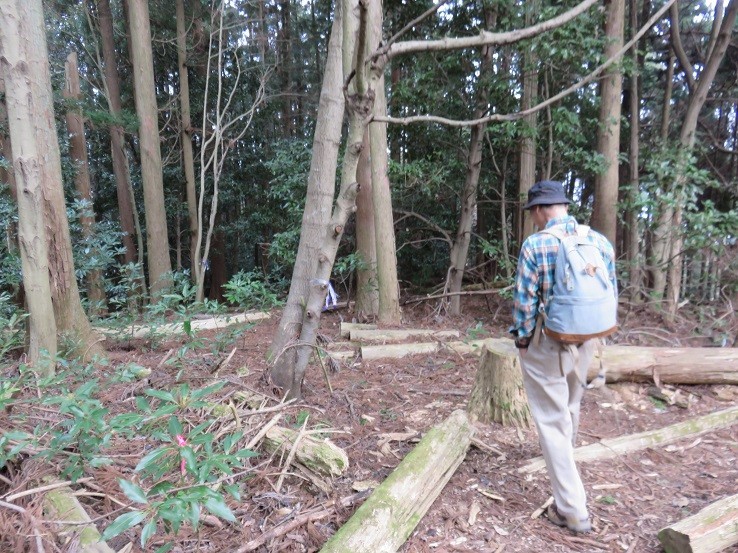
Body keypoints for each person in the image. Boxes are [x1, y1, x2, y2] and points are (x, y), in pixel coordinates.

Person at [509, 180, 617, 534]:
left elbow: (524, 302)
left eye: (533, 212)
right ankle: (566, 465)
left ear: (541, 210)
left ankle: (572, 510)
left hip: (548, 341)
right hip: (587, 340)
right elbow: (611, 291)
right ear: (564, 206)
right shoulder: (598, 240)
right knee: (570, 408)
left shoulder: (536, 244)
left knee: (552, 422)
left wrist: (523, 341)